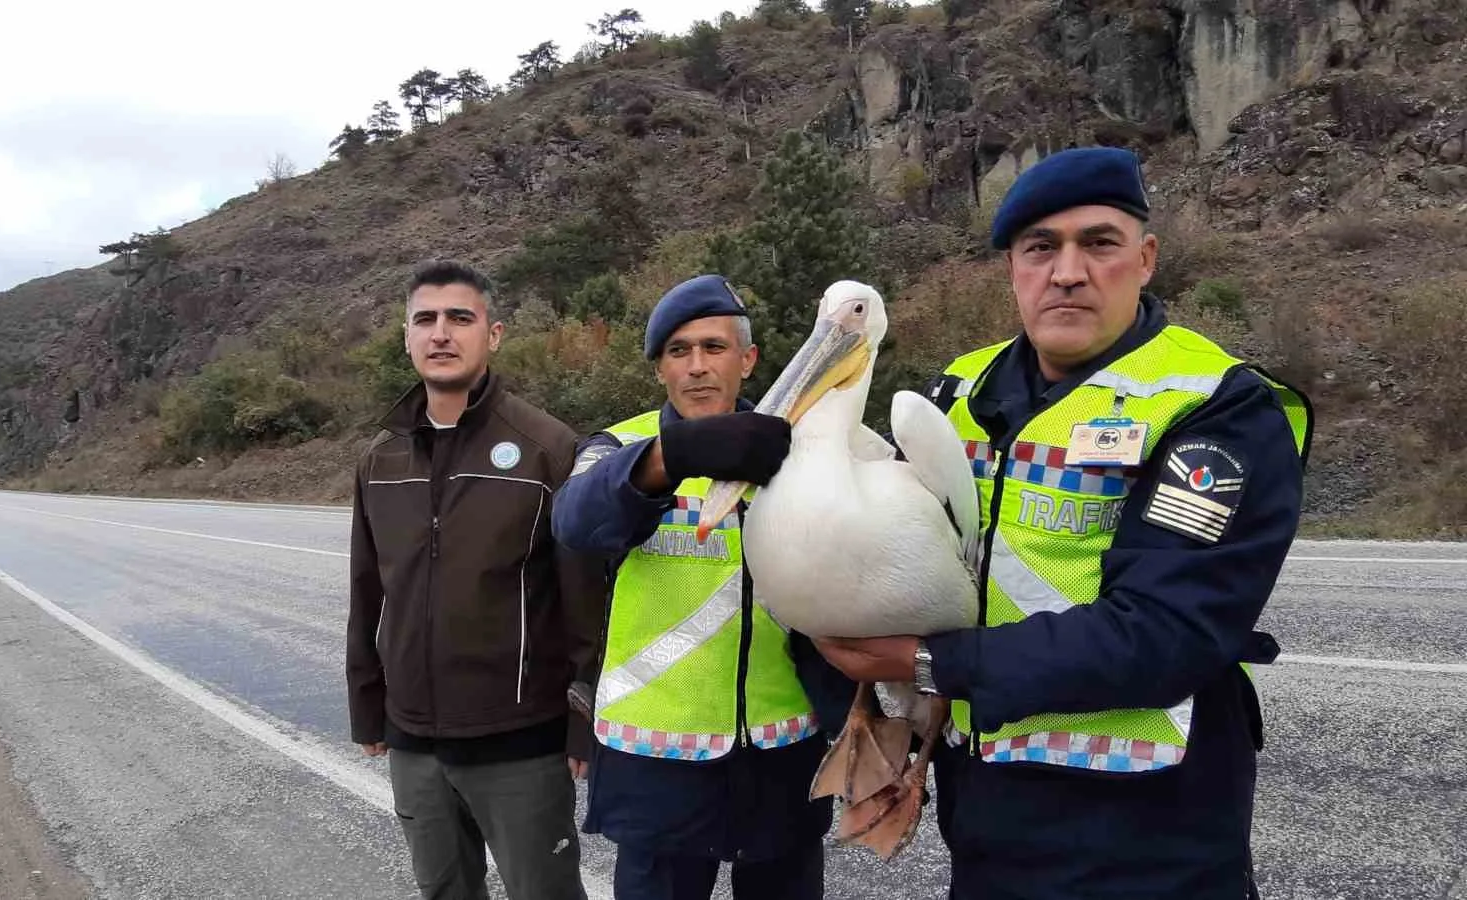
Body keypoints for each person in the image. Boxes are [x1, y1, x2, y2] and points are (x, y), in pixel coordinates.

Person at [808, 146, 1314, 898]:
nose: (1068, 271)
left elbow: (1167, 633)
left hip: (1146, 828)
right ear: (1013, 267)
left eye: (1099, 244)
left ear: (1145, 259)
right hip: (989, 816)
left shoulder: (1215, 406)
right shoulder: (959, 391)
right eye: (1041, 248)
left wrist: (926, 664)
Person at [550, 275, 856, 900]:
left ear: (747, 361)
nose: (696, 367)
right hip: (657, 759)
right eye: (678, 351)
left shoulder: (805, 453)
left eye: (714, 348)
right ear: (659, 367)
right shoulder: (619, 446)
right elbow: (576, 520)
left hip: (783, 751)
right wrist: (672, 457)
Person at [346, 259, 608, 900]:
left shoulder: (547, 447)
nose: (441, 333)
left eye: (460, 318)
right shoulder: (381, 459)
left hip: (519, 742)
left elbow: (584, 604)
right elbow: (365, 592)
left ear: (492, 334)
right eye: (425, 320)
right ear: (406, 337)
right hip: (413, 741)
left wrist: (583, 718)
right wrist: (368, 708)